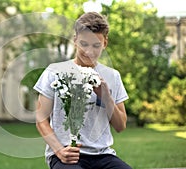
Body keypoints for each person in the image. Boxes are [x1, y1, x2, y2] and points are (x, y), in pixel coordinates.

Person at [33, 12, 132, 169]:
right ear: (75, 40)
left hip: (103, 155)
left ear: (105, 43)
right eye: (84, 44)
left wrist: (106, 96)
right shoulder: (54, 72)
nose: (89, 52)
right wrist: (58, 150)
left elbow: (120, 126)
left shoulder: (112, 76)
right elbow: (41, 118)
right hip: (67, 155)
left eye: (96, 45)